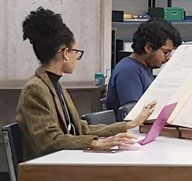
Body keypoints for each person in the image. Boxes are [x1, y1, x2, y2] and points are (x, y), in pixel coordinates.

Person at [17, 7, 156, 161]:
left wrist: (127, 126)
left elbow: (79, 128)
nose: (77, 57)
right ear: (65, 53)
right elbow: (50, 141)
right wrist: (97, 144)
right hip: (51, 169)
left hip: (63, 162)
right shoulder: (36, 89)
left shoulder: (54, 85)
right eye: (76, 52)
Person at [106, 17, 182, 119]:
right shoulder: (129, 71)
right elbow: (134, 116)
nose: (168, 58)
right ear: (148, 48)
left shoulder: (144, 68)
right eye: (166, 52)